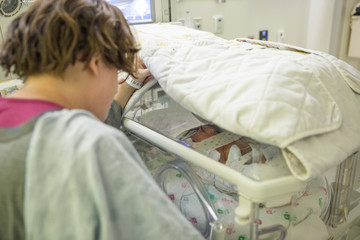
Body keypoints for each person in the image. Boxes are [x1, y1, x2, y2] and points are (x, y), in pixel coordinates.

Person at [0, 0, 204, 240]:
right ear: (94, 62)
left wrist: (133, 83)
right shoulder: (91, 146)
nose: (112, 90)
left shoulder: (17, 119)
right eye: (116, 71)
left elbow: (84, 123)